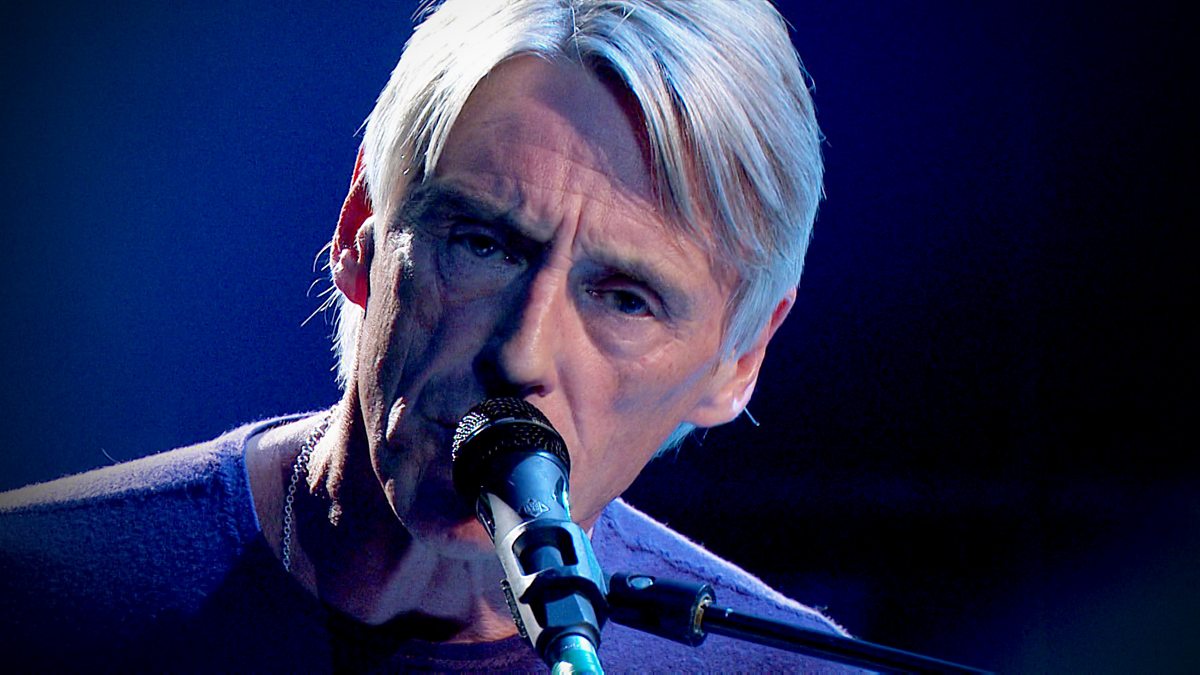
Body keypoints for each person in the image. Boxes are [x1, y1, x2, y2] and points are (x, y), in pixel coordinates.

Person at [0, 0, 850, 670]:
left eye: (626, 299)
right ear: (359, 228)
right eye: (482, 245)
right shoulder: (35, 591)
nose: (521, 353)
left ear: (740, 359)